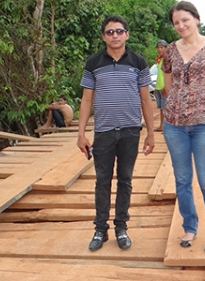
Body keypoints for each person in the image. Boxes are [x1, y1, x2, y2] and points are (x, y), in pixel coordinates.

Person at [76, 14, 155, 251]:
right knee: (102, 181)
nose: (115, 35)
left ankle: (121, 227)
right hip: (103, 132)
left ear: (127, 34)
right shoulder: (93, 63)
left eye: (119, 31)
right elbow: (87, 99)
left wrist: (151, 132)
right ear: (103, 36)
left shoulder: (138, 62)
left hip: (131, 131)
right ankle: (101, 229)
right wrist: (81, 133)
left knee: (125, 180)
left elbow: (145, 98)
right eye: (110, 32)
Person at [162, 1, 205, 254]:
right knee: (181, 180)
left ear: (197, 19)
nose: (181, 25)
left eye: (185, 20)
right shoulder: (170, 50)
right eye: (176, 22)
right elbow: (168, 87)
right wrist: (175, 107)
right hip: (175, 126)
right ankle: (189, 227)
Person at [154, 39, 168, 132]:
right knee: (161, 108)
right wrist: (156, 88)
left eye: (162, 47)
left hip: (164, 87)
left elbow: (169, 75)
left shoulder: (167, 60)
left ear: (166, 48)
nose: (159, 49)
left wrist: (166, 87)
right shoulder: (159, 60)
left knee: (166, 108)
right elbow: (159, 75)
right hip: (158, 87)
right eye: (158, 47)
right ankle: (161, 126)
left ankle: (167, 127)